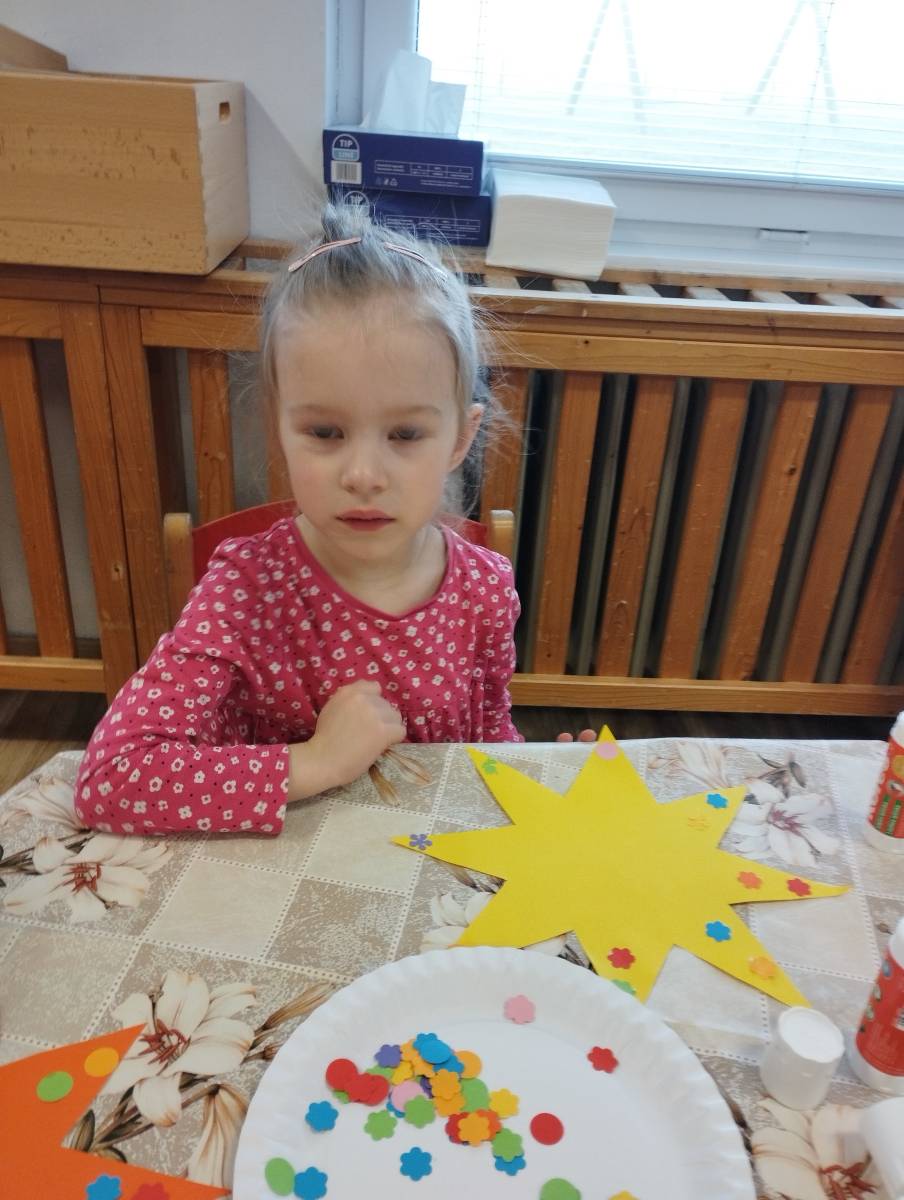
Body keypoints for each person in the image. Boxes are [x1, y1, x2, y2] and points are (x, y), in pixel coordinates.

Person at [74, 207, 526, 837]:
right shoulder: (245, 591)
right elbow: (109, 781)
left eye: (404, 434)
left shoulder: (485, 588)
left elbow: (490, 739)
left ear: (460, 438)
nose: (363, 475)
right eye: (325, 432)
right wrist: (314, 762)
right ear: (279, 426)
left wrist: (547, 772)